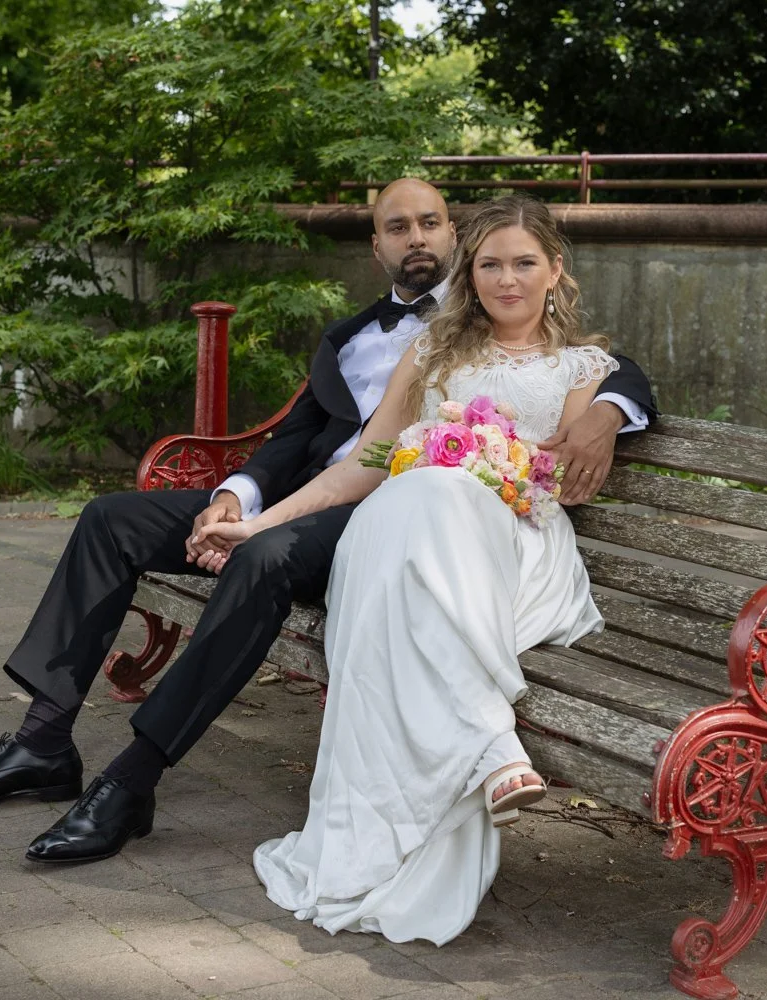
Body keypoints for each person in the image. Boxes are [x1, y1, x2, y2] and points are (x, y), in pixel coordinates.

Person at [0, 180, 657, 865]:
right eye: (399, 227)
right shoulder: (365, 339)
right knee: (112, 519)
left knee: (264, 560)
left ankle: (132, 779)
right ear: (381, 246)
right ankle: (42, 740)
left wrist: (600, 415)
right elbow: (323, 443)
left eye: (433, 223)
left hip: (432, 532)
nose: (423, 240)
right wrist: (240, 499)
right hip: (342, 497)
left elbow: (609, 387)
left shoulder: (582, 363)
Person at [195, 194, 635, 944]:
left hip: (512, 542)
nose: (506, 280)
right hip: (407, 533)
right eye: (490, 264)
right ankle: (492, 743)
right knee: (420, 489)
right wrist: (260, 522)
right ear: (471, 270)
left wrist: (492, 465)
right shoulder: (431, 354)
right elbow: (366, 463)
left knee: (436, 491)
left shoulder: (586, 368)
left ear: (554, 271)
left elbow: (558, 478)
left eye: (524, 263)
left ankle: (488, 745)